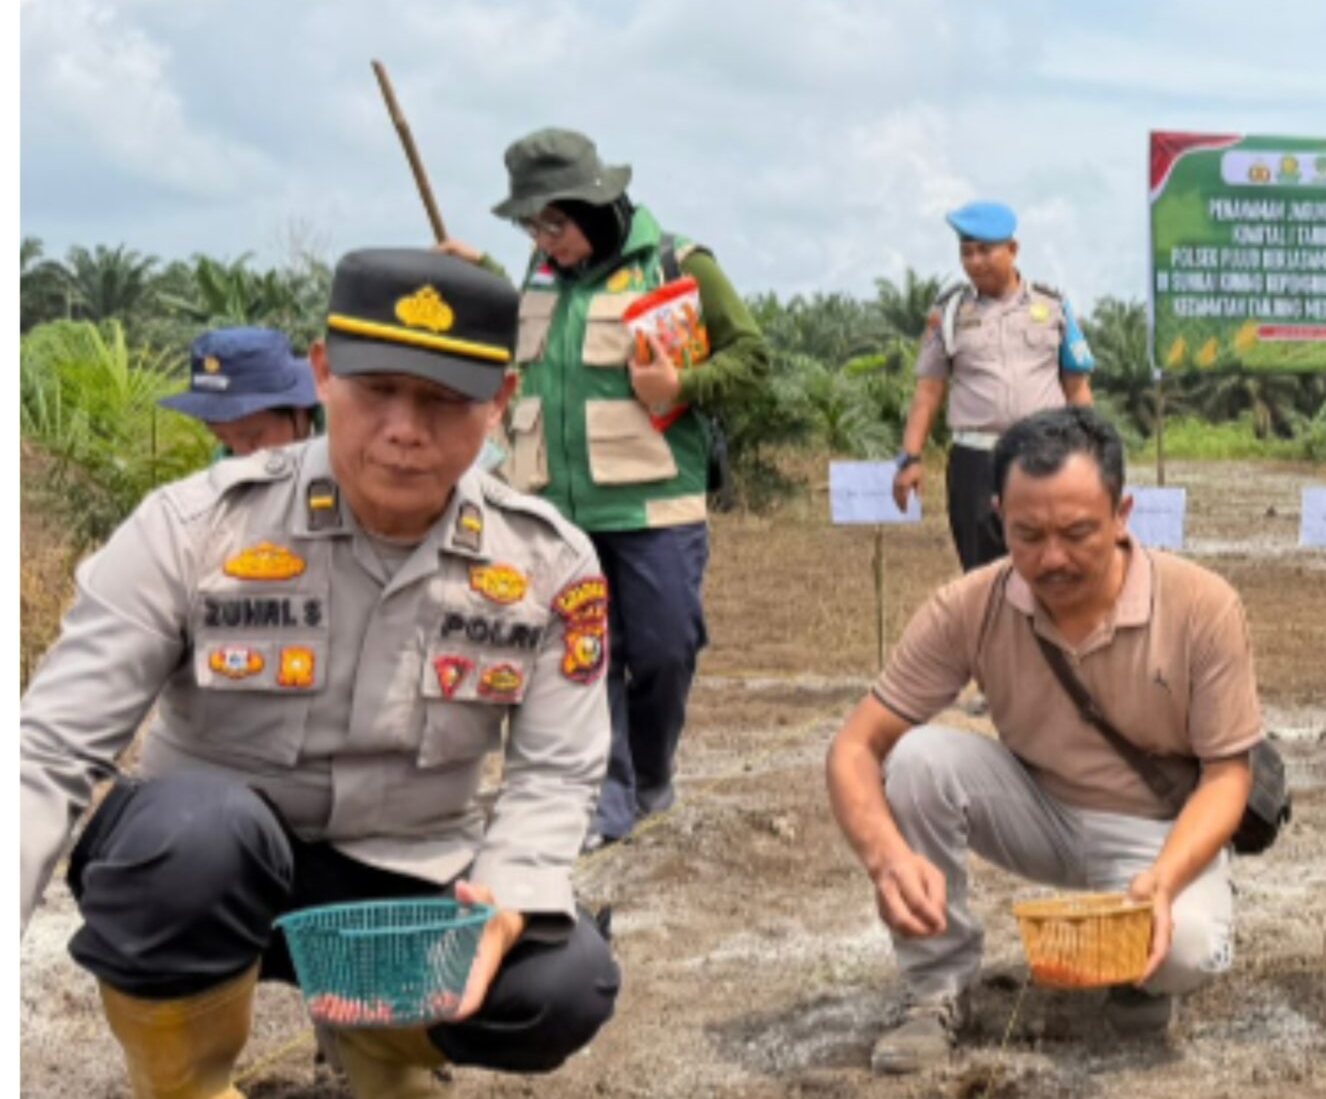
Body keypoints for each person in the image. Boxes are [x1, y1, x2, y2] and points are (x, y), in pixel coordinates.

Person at [19, 246, 622, 1099]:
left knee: (562, 983)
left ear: (500, 403)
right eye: (377, 388)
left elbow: (556, 770)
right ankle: (183, 1084)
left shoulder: (550, 565)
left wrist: (508, 897)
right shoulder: (194, 529)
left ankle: (381, 1048)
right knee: (189, 838)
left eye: (445, 399)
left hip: (409, 883)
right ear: (321, 373)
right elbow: (44, 751)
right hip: (213, 872)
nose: (405, 428)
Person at [828, 407, 1262, 1074]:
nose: (1051, 557)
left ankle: (1141, 981)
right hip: (1039, 809)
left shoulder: (1202, 606)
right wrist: (887, 860)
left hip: (1157, 832)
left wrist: (1166, 878)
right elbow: (856, 747)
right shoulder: (970, 605)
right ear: (999, 513)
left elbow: (1229, 776)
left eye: (1077, 532)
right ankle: (936, 990)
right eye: (1026, 533)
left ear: (1123, 513)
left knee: (1186, 948)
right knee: (916, 759)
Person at [439, 127, 769, 850]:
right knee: (586, 655)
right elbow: (529, 338)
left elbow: (753, 358)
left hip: (653, 502)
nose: (542, 238)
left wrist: (683, 382)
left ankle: (651, 773)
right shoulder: (536, 273)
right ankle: (608, 798)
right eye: (531, 226)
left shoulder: (679, 263)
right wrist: (484, 269)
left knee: (663, 649)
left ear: (595, 204)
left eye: (552, 223)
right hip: (556, 508)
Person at [894, 200, 1097, 571]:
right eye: (966, 253)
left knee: (1045, 565)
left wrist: (1093, 456)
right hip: (975, 463)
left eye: (985, 251)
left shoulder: (1052, 307)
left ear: (1013, 250)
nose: (974, 262)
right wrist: (910, 458)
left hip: (1042, 456)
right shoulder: (949, 313)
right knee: (982, 576)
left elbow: (1077, 388)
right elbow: (928, 391)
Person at [159, 323, 320, 455]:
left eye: (254, 436)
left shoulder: (340, 449)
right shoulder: (225, 459)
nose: (240, 453)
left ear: (300, 410)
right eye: (222, 437)